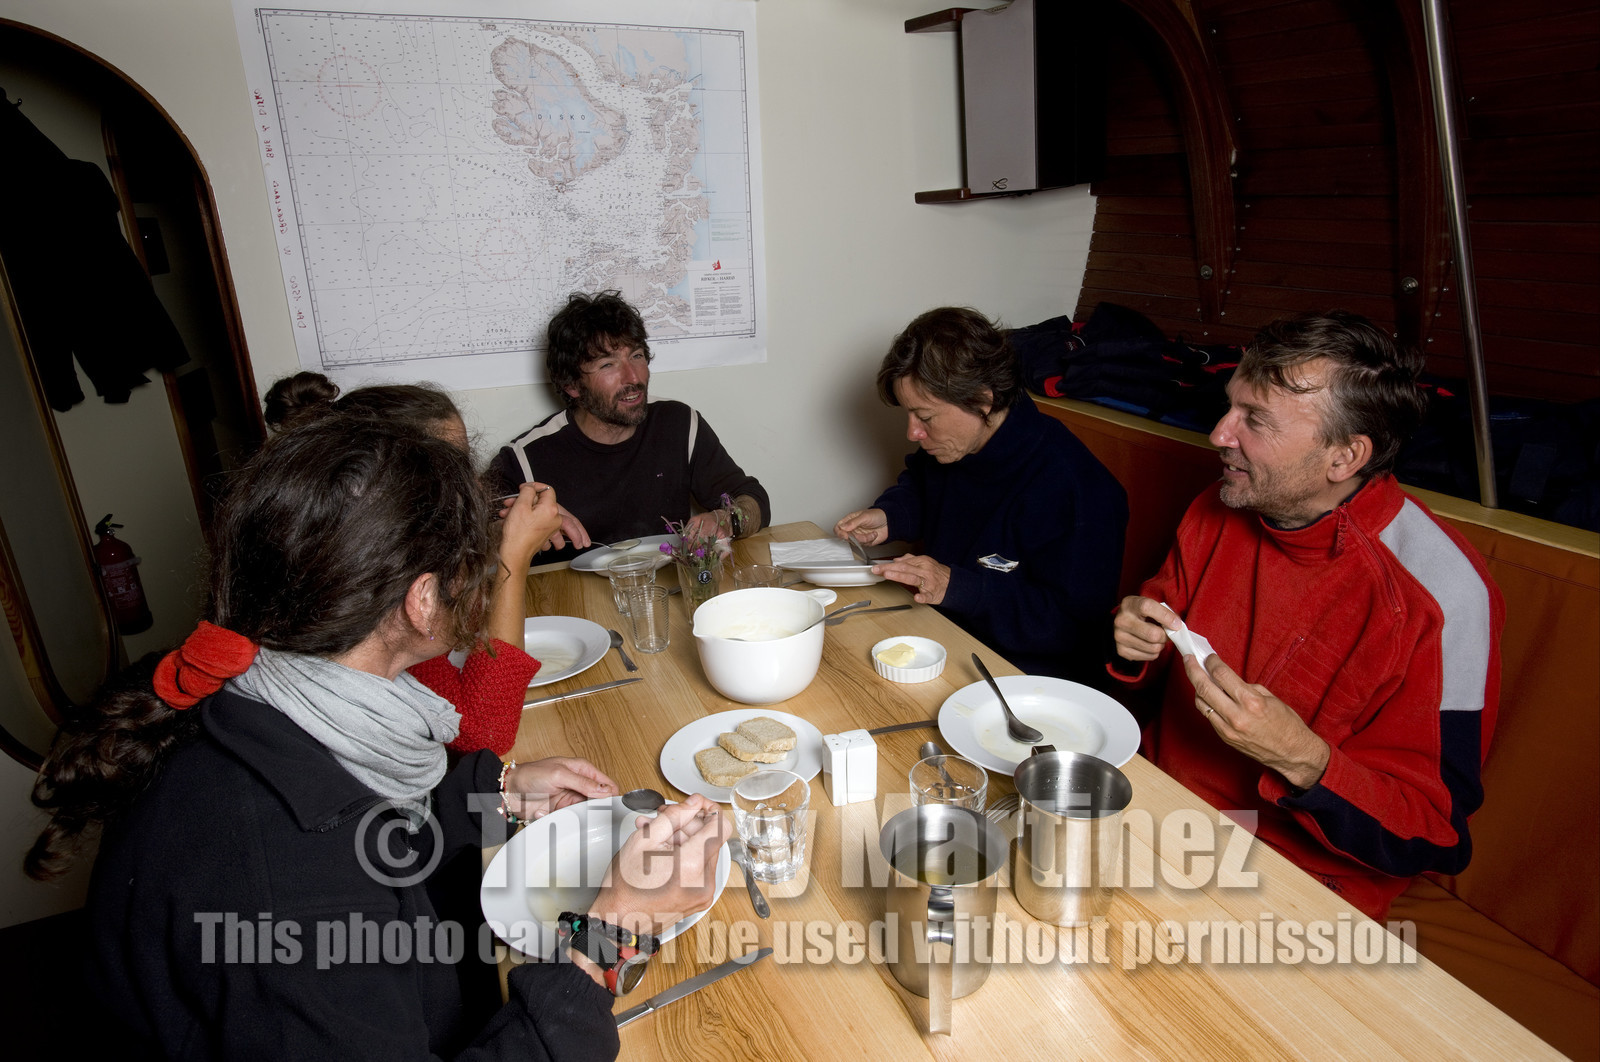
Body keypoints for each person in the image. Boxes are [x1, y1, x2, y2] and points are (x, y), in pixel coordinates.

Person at [26, 415, 728, 1060]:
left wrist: (494, 797)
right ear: (424, 601)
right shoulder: (287, 885)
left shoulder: (269, 706)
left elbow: (370, 830)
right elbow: (332, 864)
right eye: (476, 562)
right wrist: (614, 928)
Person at [1110, 311, 1504, 922]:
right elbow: (1152, 636)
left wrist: (1302, 759)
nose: (1219, 434)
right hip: (1160, 806)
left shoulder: (1445, 597)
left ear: (1344, 457)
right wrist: (1137, 641)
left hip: (1295, 881)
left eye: (1254, 421)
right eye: (1229, 407)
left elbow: (1436, 835)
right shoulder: (1217, 506)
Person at [263, 371, 565, 756]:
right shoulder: (374, 606)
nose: (472, 483)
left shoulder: (358, 553)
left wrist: (492, 542)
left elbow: (461, 622)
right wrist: (513, 558)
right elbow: (484, 734)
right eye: (451, 465)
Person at [834, 306, 1128, 682]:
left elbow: (1071, 628)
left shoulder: (1077, 489)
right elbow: (923, 487)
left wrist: (959, 587)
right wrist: (893, 516)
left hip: (1025, 674)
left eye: (924, 417)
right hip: (946, 632)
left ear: (983, 400)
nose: (913, 433)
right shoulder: (955, 445)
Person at [487, 291, 770, 559]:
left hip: (664, 593)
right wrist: (517, 527)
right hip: (569, 603)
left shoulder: (679, 423)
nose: (632, 377)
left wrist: (726, 520)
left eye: (636, 356)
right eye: (608, 365)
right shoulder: (525, 458)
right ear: (572, 385)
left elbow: (755, 500)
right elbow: (469, 541)